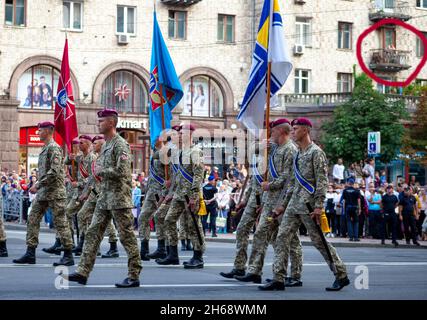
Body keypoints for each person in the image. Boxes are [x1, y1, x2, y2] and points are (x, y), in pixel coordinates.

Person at [260, 117, 349, 291]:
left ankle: (341, 274)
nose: (292, 132)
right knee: (282, 237)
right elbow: (292, 183)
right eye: (292, 129)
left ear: (306, 130)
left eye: (296, 129)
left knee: (319, 241)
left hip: (309, 205)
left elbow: (322, 181)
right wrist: (282, 205)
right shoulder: (297, 153)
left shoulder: (316, 152)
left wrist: (318, 206)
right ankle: (279, 277)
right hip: (294, 203)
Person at [65, 109, 142, 287]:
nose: (99, 123)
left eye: (102, 121)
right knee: (93, 232)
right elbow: (95, 172)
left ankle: (134, 275)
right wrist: (86, 191)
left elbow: (122, 172)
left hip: (118, 198)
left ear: (111, 123)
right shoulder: (106, 145)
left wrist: (103, 171)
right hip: (104, 197)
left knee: (127, 237)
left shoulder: (120, 144)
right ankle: (83, 272)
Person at [13, 122, 74, 266]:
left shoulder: (54, 148)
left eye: (40, 131)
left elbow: (54, 171)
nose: (38, 133)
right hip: (44, 192)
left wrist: (38, 184)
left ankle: (68, 254)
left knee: (61, 223)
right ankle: (30, 252)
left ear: (48, 131)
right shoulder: (45, 148)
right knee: (33, 218)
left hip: (55, 192)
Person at [157, 124, 206, 269]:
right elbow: (177, 176)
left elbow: (198, 175)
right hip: (179, 194)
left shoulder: (195, 151)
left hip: (190, 195)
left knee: (193, 225)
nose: (178, 135)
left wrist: (194, 195)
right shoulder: (179, 153)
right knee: (168, 220)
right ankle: (172, 254)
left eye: (182, 133)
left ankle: (198, 256)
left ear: (190, 134)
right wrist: (170, 194)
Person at [72, 135, 119, 258]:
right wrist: (86, 193)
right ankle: (82, 243)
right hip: (94, 194)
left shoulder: (106, 158)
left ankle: (113, 246)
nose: (94, 146)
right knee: (81, 215)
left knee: (107, 222)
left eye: (96, 144)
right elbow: (92, 178)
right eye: (93, 144)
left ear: (102, 145)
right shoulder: (97, 159)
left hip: (104, 193)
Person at [138, 138, 167, 261]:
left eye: (155, 138)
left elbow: (170, 176)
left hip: (161, 192)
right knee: (143, 217)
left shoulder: (167, 153)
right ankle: (144, 248)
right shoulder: (154, 153)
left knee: (161, 219)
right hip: (151, 192)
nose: (152, 141)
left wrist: (165, 193)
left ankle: (163, 248)